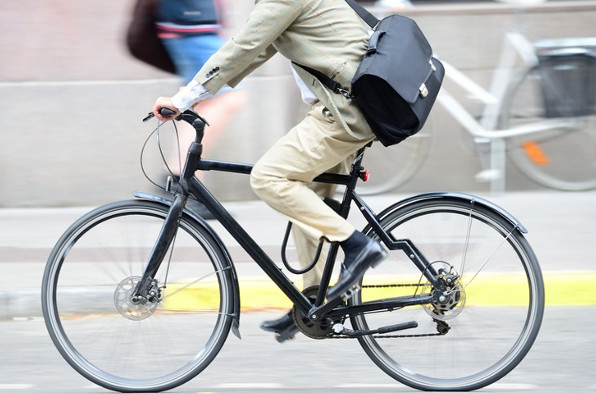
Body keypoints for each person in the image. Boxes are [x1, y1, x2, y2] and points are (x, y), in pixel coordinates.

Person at [153, 0, 388, 337]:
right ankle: (313, 301)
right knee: (305, 199)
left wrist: (183, 100)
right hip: (353, 104)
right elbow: (255, 49)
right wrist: (193, 94)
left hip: (345, 111)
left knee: (269, 178)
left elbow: (245, 45)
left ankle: (356, 246)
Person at [156, 0, 247, 218]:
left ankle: (183, 183)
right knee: (229, 97)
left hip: (192, 22)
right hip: (190, 23)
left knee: (206, 103)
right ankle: (180, 181)